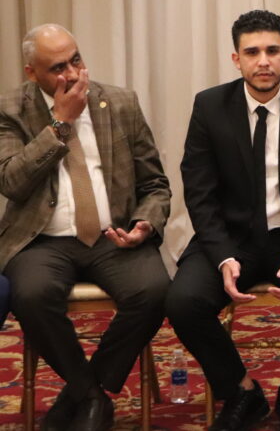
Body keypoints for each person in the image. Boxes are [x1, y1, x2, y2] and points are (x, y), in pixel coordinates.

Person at [166, 10, 280, 431]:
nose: (263, 61)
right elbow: (199, 193)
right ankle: (241, 391)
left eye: (272, 51)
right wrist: (222, 256)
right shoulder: (209, 106)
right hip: (232, 239)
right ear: (236, 59)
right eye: (252, 52)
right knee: (183, 301)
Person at [0, 24, 171, 431]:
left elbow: (155, 184)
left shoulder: (120, 102)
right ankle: (92, 397)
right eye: (58, 67)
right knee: (32, 295)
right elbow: (11, 181)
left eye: (75, 60)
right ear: (32, 73)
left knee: (155, 290)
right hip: (42, 240)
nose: (73, 74)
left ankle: (80, 392)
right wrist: (60, 123)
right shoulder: (11, 110)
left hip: (113, 237)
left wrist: (144, 224)